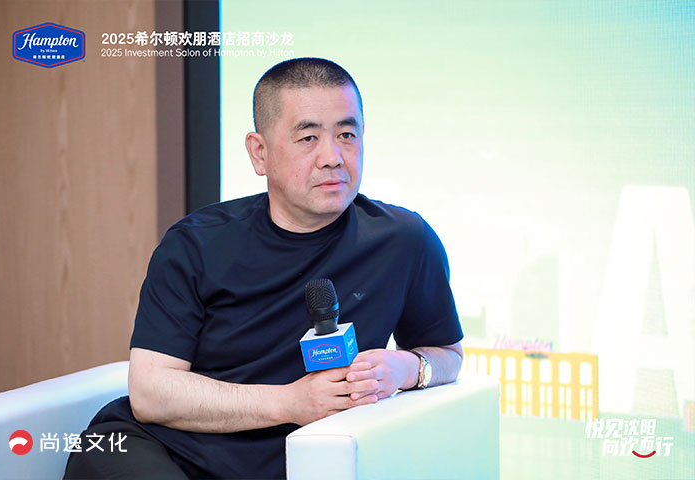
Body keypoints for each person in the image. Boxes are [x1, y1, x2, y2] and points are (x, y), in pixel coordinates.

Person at [64, 57, 464, 480]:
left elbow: (448, 355)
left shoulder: (403, 240)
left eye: (347, 134)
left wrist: (409, 369)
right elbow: (150, 393)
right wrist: (290, 402)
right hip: (158, 448)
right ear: (260, 153)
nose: (332, 157)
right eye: (308, 138)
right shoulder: (197, 243)